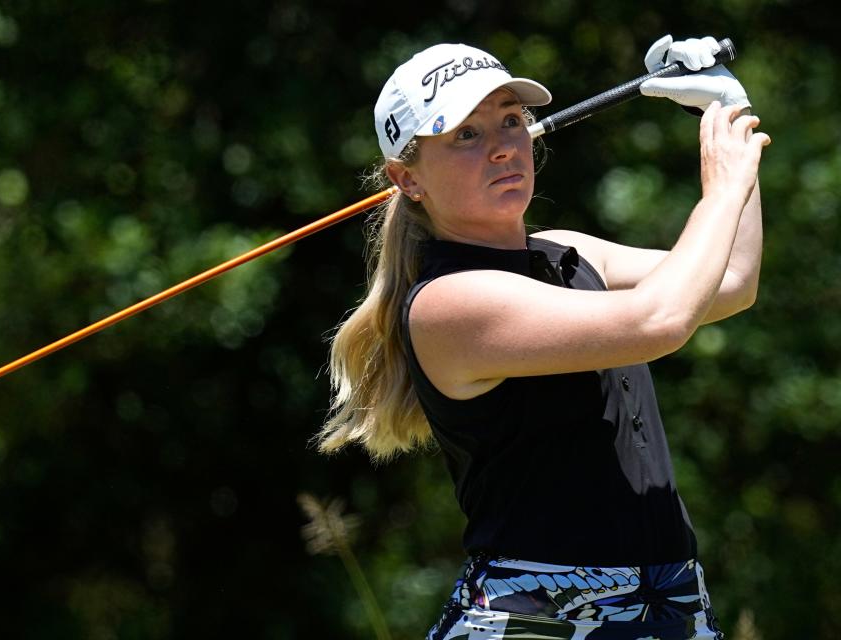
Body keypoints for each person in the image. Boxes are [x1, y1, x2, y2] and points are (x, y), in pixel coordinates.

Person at [315, 34, 768, 640]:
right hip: (536, 618)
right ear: (407, 178)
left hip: (666, 600)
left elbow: (733, 281)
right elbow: (658, 321)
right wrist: (724, 187)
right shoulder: (449, 302)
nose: (503, 148)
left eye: (510, 121)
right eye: (466, 136)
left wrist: (724, 107)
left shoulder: (571, 251)